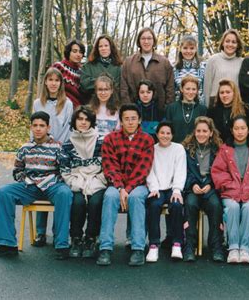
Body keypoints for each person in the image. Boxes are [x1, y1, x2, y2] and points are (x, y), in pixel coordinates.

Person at [0, 111, 72, 260]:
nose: (38, 129)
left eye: (42, 125)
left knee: (65, 193)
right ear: (31, 127)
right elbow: (17, 171)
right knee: (3, 192)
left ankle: (62, 244)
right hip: (30, 187)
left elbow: (65, 171)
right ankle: (7, 244)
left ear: (48, 127)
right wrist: (27, 180)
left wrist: (50, 181)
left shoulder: (58, 147)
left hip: (52, 186)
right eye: (35, 125)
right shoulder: (25, 148)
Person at [96, 104, 154, 266]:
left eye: (133, 119)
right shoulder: (110, 139)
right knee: (109, 196)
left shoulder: (147, 140)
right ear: (121, 121)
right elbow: (110, 167)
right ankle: (105, 248)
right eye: (126, 119)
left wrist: (127, 189)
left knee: (136, 198)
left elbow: (143, 169)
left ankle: (138, 248)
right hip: (116, 184)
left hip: (138, 185)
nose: (130, 122)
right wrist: (120, 187)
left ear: (139, 120)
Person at [212, 115, 249, 264]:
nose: (240, 132)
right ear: (231, 130)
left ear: (248, 130)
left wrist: (248, 189)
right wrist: (233, 187)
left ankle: (245, 248)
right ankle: (233, 247)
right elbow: (218, 173)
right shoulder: (225, 150)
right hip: (230, 191)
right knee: (232, 207)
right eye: (236, 128)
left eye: (243, 128)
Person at [32, 67, 73, 245]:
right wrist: (35, 149)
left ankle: (58, 233)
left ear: (61, 83)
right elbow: (34, 127)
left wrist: (58, 149)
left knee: (59, 191)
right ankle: (41, 232)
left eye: (57, 80)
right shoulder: (37, 103)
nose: (53, 83)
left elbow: (68, 129)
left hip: (60, 150)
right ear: (46, 82)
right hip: (41, 151)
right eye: (50, 80)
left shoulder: (68, 104)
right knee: (42, 186)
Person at [60, 106, 107, 258]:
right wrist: (77, 184)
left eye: (87, 119)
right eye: (80, 119)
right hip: (76, 181)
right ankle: (76, 238)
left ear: (92, 122)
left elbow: (107, 167)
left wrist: (97, 182)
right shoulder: (67, 145)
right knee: (78, 202)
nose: (83, 122)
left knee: (95, 203)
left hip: (97, 180)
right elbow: (65, 171)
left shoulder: (101, 141)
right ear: (74, 122)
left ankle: (91, 238)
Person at [182, 116, 225, 262]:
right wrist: (192, 184)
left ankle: (216, 245)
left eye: (205, 131)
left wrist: (211, 184)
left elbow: (221, 171)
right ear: (194, 132)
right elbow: (184, 171)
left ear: (211, 133)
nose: (201, 134)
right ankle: (189, 245)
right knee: (190, 204)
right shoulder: (186, 150)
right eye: (198, 131)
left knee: (215, 205)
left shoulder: (218, 150)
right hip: (192, 188)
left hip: (210, 187)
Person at [145, 121, 187, 262]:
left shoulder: (178, 149)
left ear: (172, 135)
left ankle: (177, 243)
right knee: (154, 205)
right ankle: (153, 245)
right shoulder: (152, 149)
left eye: (168, 133)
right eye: (162, 133)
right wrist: (154, 188)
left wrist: (177, 190)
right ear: (157, 134)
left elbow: (181, 171)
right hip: (157, 187)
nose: (165, 136)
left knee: (176, 205)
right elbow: (149, 171)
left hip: (172, 187)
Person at [120, 27, 174, 113]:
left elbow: (170, 90)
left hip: (159, 114)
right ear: (139, 41)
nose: (146, 42)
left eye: (149, 38)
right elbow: (124, 89)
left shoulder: (164, 63)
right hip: (133, 114)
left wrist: (167, 111)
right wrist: (128, 109)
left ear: (154, 41)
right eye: (143, 38)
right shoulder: (128, 62)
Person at [204, 29, 244, 107]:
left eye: (234, 42)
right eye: (227, 41)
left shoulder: (242, 62)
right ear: (222, 43)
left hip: (235, 103)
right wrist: (207, 106)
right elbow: (207, 86)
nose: (230, 44)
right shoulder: (213, 60)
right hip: (215, 102)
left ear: (238, 45)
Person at [165, 75, 207, 143]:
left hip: (195, 149)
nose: (190, 92)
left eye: (194, 89)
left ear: (197, 91)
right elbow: (167, 130)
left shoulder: (202, 109)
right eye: (187, 89)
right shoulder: (171, 108)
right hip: (176, 148)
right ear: (181, 89)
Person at [80, 35, 123, 100]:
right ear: (97, 49)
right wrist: (106, 82)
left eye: (106, 46)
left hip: (113, 104)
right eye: (100, 46)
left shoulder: (119, 67)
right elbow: (85, 84)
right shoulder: (88, 66)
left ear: (111, 48)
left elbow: (119, 86)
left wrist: (95, 81)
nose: (103, 48)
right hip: (92, 104)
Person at [51, 39, 86, 107]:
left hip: (78, 111)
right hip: (59, 108)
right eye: (74, 51)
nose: (78, 54)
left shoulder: (82, 72)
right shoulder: (58, 67)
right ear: (68, 52)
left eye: (80, 52)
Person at [173, 35, 206, 104]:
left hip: (199, 107)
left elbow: (205, 89)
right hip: (180, 107)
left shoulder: (203, 66)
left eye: (191, 48)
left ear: (195, 49)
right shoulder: (174, 68)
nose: (188, 51)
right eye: (185, 48)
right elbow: (173, 91)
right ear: (180, 49)